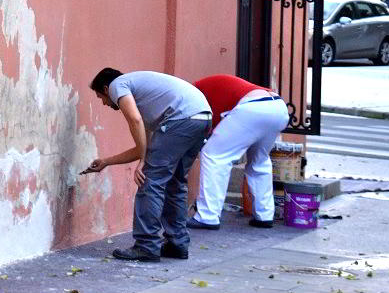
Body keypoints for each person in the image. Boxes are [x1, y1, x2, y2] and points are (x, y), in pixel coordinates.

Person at [82, 69, 211, 262]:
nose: (104, 103)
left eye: (101, 97)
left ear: (107, 88)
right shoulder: (152, 105)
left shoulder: (119, 85)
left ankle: (146, 245)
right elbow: (144, 148)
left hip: (182, 119)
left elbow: (134, 121)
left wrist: (143, 161)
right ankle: (178, 244)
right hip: (202, 117)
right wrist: (106, 162)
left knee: (150, 182)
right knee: (175, 183)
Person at [186, 74, 290, 230]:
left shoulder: (193, 97)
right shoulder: (206, 87)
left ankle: (208, 216)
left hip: (253, 108)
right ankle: (265, 215)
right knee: (259, 161)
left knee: (213, 155)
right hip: (278, 107)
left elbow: (206, 129)